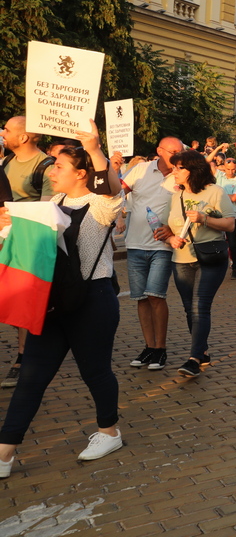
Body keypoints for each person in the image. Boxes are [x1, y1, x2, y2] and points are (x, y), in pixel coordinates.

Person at [0, 124, 124, 477]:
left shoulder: (100, 205)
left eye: (58, 166)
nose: (51, 170)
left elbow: (112, 190)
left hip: (93, 300)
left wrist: (95, 147)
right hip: (53, 302)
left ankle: (109, 431)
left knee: (95, 372)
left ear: (81, 173)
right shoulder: (50, 203)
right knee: (32, 376)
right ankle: (5, 451)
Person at [165, 151, 236, 378]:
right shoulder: (176, 195)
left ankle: (193, 359)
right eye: (173, 168)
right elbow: (170, 227)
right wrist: (169, 238)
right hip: (182, 260)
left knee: (199, 307)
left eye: (178, 168)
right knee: (189, 309)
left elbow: (230, 224)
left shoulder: (215, 192)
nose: (174, 172)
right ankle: (202, 351)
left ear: (193, 170)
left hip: (210, 258)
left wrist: (204, 219)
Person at [0, 117, 54, 388]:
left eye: (7, 129)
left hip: (27, 244)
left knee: (22, 298)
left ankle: (25, 356)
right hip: (4, 240)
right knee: (9, 298)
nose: (3, 133)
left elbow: (46, 210)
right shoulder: (7, 162)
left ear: (23, 138)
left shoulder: (45, 166)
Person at [122, 137, 184, 372]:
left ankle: (161, 348)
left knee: (156, 295)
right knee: (141, 298)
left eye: (181, 151)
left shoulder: (181, 175)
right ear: (159, 151)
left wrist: (173, 229)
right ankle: (148, 346)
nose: (178, 155)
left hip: (162, 246)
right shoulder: (140, 170)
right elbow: (117, 191)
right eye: (173, 151)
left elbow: (189, 204)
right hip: (135, 243)